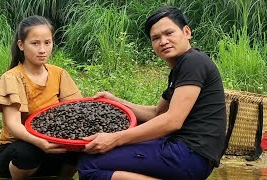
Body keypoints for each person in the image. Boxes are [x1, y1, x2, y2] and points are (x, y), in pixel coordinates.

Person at [78, 6, 226, 180]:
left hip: (190, 153)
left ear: (187, 32)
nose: (163, 41)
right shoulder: (180, 69)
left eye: (169, 33)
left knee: (89, 166)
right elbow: (158, 113)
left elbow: (172, 121)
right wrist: (115, 101)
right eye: (156, 38)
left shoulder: (193, 61)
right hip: (186, 151)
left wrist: (115, 138)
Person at [0, 15, 82, 180]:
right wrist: (40, 143)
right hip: (17, 151)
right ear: (21, 45)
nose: (42, 49)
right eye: (35, 43)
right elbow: (13, 124)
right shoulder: (12, 77)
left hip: (52, 147)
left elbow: (74, 113)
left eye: (47, 42)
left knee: (81, 150)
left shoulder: (59, 74)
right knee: (27, 153)